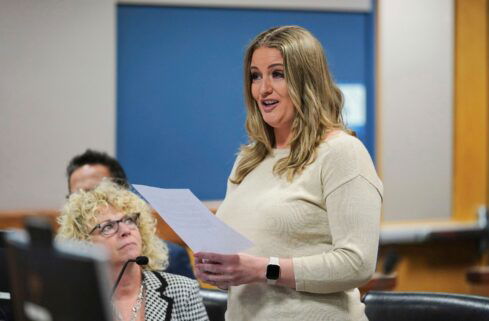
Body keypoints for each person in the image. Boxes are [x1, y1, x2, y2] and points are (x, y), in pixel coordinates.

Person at [193, 26, 383, 320]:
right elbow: (245, 260)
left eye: (277, 74)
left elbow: (357, 263)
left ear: (306, 80)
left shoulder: (342, 153)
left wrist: (262, 269)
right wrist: (218, 270)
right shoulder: (249, 159)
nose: (263, 89)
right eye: (255, 76)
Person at [57, 181, 208, 321]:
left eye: (129, 220)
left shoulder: (184, 292)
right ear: (84, 243)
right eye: (108, 227)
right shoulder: (74, 301)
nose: (125, 231)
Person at [66, 149, 195, 279]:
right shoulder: (67, 266)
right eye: (78, 196)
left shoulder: (172, 259)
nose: (89, 201)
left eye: (96, 191)